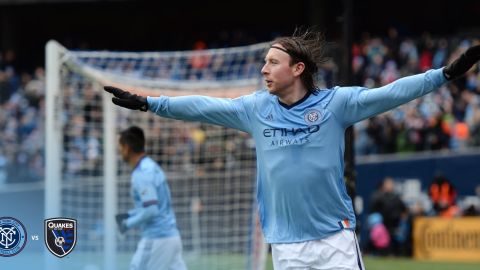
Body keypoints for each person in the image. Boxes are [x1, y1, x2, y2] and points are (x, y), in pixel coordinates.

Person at [105, 29, 480, 270]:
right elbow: (202, 106)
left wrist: (443, 75)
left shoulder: (337, 103)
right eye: (265, 62)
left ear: (297, 68)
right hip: (285, 246)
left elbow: (392, 92)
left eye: (272, 62)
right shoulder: (254, 109)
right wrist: (149, 102)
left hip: (335, 238)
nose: (264, 69)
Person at [115, 126, 187, 270]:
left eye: (120, 147)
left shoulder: (142, 174)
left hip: (157, 239)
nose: (119, 151)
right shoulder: (152, 166)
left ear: (127, 148)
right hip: (171, 237)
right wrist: (130, 214)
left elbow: (152, 210)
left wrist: (127, 223)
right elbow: (155, 205)